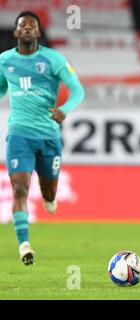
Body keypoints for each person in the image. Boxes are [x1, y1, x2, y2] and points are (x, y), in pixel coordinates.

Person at [0, 11, 85, 265]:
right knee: (19, 188)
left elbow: (78, 90)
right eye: (22, 25)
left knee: (49, 192)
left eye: (32, 25)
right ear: (16, 32)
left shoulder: (53, 59)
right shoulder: (5, 60)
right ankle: (24, 245)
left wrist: (65, 110)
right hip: (18, 135)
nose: (26, 28)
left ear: (38, 32)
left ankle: (49, 196)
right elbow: (2, 88)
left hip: (48, 136)